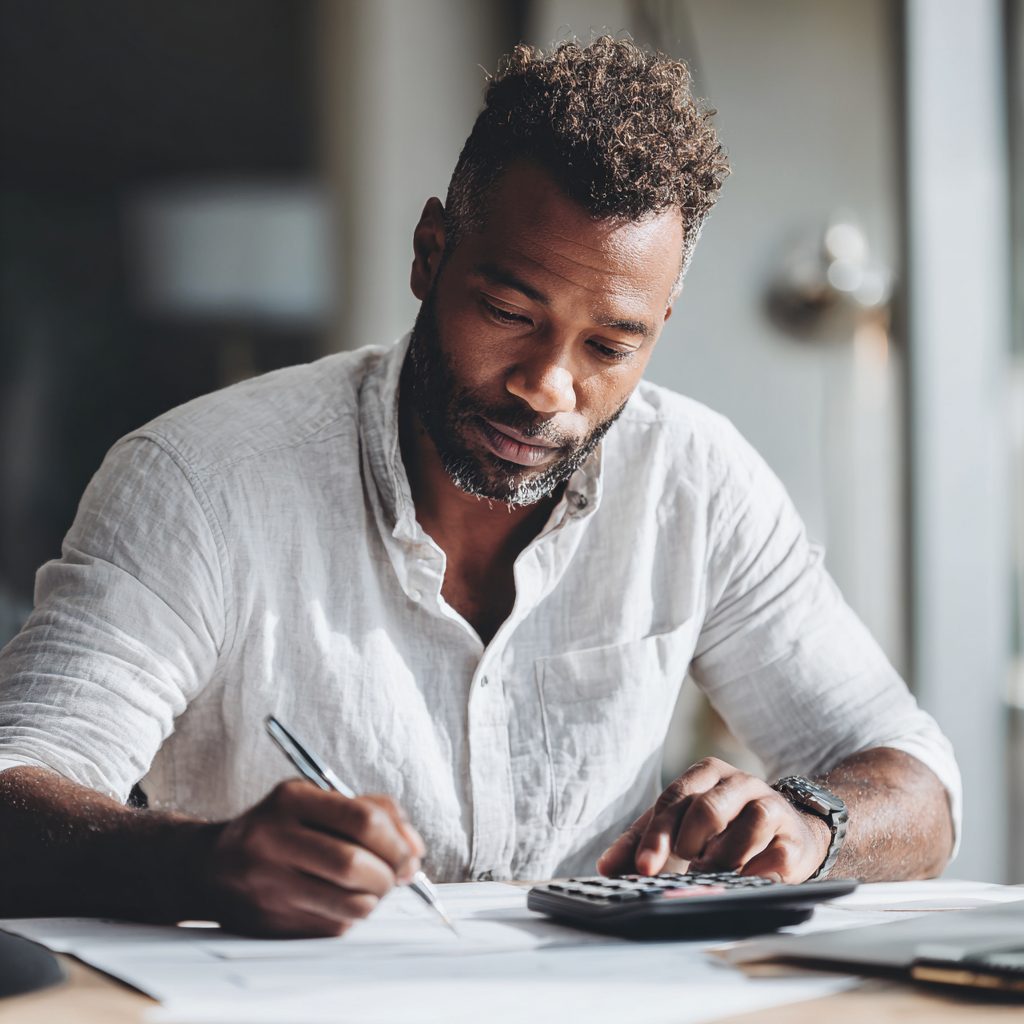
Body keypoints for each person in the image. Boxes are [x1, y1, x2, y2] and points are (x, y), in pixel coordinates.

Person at [0, 38, 958, 938]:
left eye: (610, 346)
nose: (547, 388)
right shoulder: (199, 482)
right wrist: (200, 863)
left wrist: (808, 822)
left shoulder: (697, 480)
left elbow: (920, 782)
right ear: (429, 254)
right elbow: (15, 783)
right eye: (508, 310)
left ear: (660, 326)